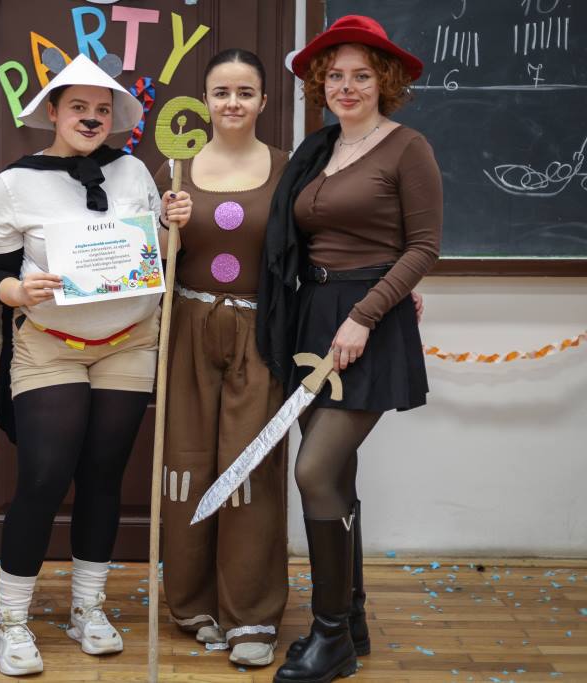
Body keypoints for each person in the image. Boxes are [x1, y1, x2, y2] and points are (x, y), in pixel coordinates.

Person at [0, 54, 191, 676]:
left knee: (103, 476)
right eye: (79, 107)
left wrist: (171, 224)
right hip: (49, 344)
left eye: (102, 109)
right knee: (44, 477)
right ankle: (10, 620)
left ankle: (87, 608)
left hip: (130, 342)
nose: (92, 118)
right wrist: (18, 291)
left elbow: (156, 253)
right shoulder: (14, 184)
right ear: (53, 112)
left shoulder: (134, 172)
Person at [257, 15, 442, 683]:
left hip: (368, 324)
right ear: (321, 84)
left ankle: (330, 634)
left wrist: (366, 314)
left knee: (313, 470)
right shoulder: (319, 149)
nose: (347, 86)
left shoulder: (407, 148)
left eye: (362, 75)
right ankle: (352, 619)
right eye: (335, 75)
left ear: (384, 80)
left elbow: (424, 247)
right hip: (315, 319)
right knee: (336, 475)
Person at [153, 48, 290, 668]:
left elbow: (314, 248)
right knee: (185, 463)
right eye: (221, 92)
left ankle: (251, 615)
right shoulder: (174, 170)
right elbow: (146, 263)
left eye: (244, 92)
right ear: (204, 100)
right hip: (189, 324)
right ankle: (192, 604)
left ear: (263, 100)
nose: (232, 103)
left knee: (249, 466)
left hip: (260, 331)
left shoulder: (289, 169)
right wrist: (167, 227)